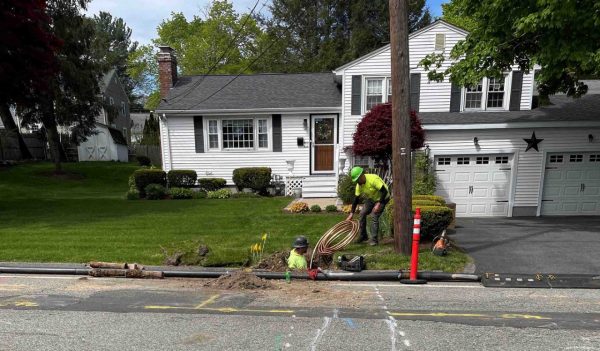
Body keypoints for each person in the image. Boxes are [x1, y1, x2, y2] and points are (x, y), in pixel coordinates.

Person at [345, 166, 390, 246]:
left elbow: (384, 191)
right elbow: (356, 199)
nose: (357, 182)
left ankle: (374, 240)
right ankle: (363, 236)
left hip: (383, 198)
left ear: (362, 175)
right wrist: (351, 213)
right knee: (362, 214)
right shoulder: (359, 185)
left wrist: (378, 204)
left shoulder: (373, 179)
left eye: (358, 179)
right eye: (356, 180)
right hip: (372, 198)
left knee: (374, 215)